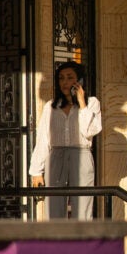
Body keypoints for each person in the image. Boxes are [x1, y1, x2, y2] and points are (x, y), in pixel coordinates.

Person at [30, 62, 102, 218]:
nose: (65, 82)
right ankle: (56, 242)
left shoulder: (92, 103)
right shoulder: (50, 106)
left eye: (70, 77)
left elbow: (89, 131)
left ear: (79, 80)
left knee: (83, 207)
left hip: (81, 155)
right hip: (55, 156)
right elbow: (43, 138)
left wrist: (82, 103)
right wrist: (36, 171)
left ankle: (83, 242)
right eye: (61, 78)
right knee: (53, 207)